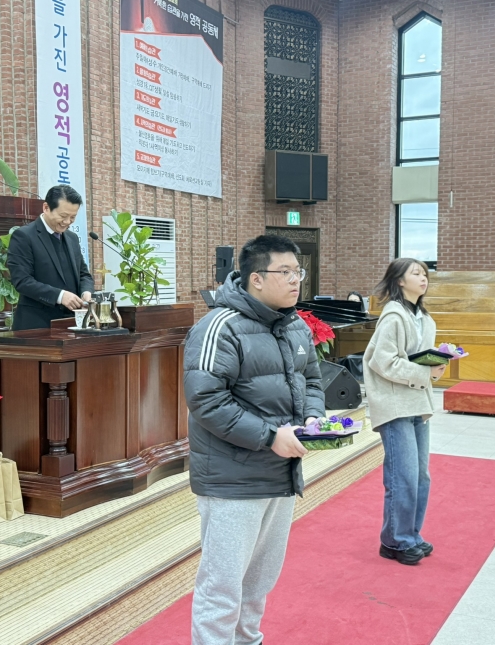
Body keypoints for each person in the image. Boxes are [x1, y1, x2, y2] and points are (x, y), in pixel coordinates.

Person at [183, 235, 325, 645]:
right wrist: (269, 436)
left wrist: (312, 418)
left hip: (280, 472)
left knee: (259, 580)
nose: (296, 280)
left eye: (298, 271)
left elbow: (312, 380)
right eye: (286, 272)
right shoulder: (219, 326)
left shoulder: (295, 325)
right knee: (223, 585)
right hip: (233, 478)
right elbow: (206, 400)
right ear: (256, 278)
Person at [362, 258, 445, 565]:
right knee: (403, 476)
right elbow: (383, 362)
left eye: (425, 273)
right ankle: (396, 541)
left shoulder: (424, 318)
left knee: (421, 477)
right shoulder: (393, 316)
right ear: (399, 281)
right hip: (394, 404)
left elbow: (416, 359)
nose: (423, 278)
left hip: (417, 402)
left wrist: (437, 362)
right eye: (416, 273)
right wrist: (426, 372)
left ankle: (411, 534)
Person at [7, 185, 93, 331]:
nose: (67, 222)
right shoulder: (24, 236)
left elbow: (83, 274)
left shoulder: (72, 238)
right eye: (63, 216)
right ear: (46, 208)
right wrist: (60, 296)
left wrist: (86, 292)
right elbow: (22, 281)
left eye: (73, 217)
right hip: (36, 326)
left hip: (71, 324)